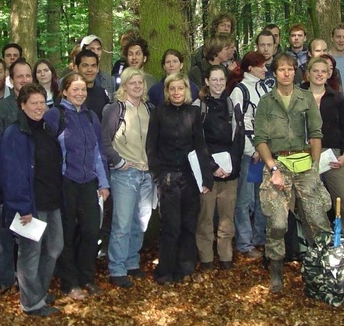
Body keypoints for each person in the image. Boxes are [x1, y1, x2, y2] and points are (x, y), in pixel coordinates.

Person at [253, 53, 330, 293]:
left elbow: (316, 133)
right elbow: (260, 139)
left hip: (305, 162)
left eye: (290, 69)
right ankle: (276, 268)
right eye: (281, 69)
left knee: (318, 218)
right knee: (277, 222)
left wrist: (315, 166)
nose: (286, 73)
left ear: (296, 72)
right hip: (279, 163)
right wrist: (273, 168)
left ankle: (326, 268)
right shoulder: (266, 102)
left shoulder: (305, 98)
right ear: (274, 73)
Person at [0, 83, 64, 317]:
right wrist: (22, 206)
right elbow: (12, 173)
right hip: (30, 205)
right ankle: (31, 303)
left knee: (54, 247)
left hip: (51, 200)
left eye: (41, 102)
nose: (38, 107)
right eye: (33, 103)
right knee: (30, 252)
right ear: (22, 105)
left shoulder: (46, 128)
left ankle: (38, 291)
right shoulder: (15, 134)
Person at [44, 72, 110, 300]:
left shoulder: (91, 117)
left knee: (91, 232)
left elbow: (98, 152)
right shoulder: (55, 115)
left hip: (88, 182)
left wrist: (103, 183)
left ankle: (87, 278)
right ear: (64, 91)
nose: (80, 94)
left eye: (83, 90)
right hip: (65, 183)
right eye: (75, 90)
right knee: (67, 233)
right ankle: (69, 281)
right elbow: (47, 151)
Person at [146, 73, 213, 285]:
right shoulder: (158, 113)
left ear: (186, 91)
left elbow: (200, 146)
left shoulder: (193, 113)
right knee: (171, 226)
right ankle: (165, 271)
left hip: (190, 177)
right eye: (172, 89)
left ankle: (185, 268)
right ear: (167, 91)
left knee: (188, 224)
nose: (176, 92)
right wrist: (158, 175)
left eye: (180, 89)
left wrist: (206, 177)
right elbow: (151, 147)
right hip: (167, 178)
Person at [301, 57, 344, 261]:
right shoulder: (298, 96)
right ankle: (311, 246)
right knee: (309, 202)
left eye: (324, 71)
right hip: (305, 154)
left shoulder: (336, 97)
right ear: (308, 73)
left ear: (328, 74)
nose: (320, 74)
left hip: (333, 155)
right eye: (316, 71)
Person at [101, 68, 154, 288]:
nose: (137, 86)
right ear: (124, 85)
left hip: (146, 173)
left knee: (140, 221)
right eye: (132, 83)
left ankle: (132, 262)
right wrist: (119, 162)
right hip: (124, 173)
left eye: (140, 82)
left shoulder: (149, 108)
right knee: (122, 223)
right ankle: (117, 268)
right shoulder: (115, 109)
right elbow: (103, 142)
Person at [0, 59, 33, 292]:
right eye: (19, 76)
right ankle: (4, 278)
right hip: (5, 176)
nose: (24, 80)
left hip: (31, 179)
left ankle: (26, 280)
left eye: (27, 76)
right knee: (3, 230)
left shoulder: (38, 106)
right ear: (11, 79)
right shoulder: (1, 109)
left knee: (28, 230)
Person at [195, 66, 245, 271]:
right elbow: (196, 140)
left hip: (230, 170)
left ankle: (225, 255)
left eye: (221, 79)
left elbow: (239, 137)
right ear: (207, 81)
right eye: (213, 80)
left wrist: (231, 166)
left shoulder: (233, 104)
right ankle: (206, 257)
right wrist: (212, 167)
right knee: (205, 215)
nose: (217, 83)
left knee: (227, 216)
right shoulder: (199, 106)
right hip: (207, 171)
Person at [227, 52, 270, 260]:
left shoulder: (264, 87)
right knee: (245, 199)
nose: (265, 69)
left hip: (265, 151)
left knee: (262, 197)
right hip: (250, 154)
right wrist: (251, 150)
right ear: (251, 68)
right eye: (262, 66)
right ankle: (244, 243)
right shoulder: (239, 91)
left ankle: (259, 237)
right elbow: (238, 125)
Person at [74, 49, 110, 120]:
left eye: (93, 66)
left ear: (97, 69)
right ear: (76, 68)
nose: (90, 70)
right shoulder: (69, 94)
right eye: (85, 65)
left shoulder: (102, 93)